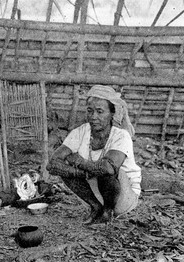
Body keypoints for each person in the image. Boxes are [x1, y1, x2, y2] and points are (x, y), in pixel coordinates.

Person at [47, 85, 141, 224]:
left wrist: (79, 162)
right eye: (90, 111)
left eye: (100, 111)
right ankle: (95, 206)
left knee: (107, 170)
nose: (93, 117)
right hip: (96, 190)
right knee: (64, 167)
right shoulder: (80, 132)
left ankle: (107, 212)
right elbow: (53, 164)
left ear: (111, 114)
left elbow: (108, 168)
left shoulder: (121, 136)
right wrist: (80, 173)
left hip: (123, 195)